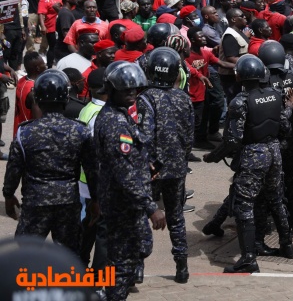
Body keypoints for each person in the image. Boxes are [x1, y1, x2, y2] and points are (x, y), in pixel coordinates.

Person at [2, 69, 98, 254]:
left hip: (35, 203)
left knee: (27, 255)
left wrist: (8, 195)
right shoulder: (80, 131)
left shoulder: (25, 132)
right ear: (66, 99)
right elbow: (92, 170)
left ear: (37, 99)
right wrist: (96, 200)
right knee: (68, 256)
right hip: (68, 203)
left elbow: (14, 168)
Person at [94, 61, 166, 299]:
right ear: (113, 90)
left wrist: (146, 163)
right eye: (126, 90)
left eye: (135, 90)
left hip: (127, 201)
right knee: (123, 262)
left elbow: (132, 152)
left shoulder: (121, 115)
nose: (132, 94)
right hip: (123, 203)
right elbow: (124, 173)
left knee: (135, 252)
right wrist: (150, 207)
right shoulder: (115, 122)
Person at [223, 55, 293, 273]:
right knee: (275, 199)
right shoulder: (274, 95)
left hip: (254, 155)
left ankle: (247, 258)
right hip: (274, 152)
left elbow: (233, 139)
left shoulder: (240, 101)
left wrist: (217, 155)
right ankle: (287, 245)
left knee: (244, 205)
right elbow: (285, 125)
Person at [137, 48, 195, 283]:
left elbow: (144, 135)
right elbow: (190, 137)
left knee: (141, 216)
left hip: (151, 169)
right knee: (176, 217)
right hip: (177, 168)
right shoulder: (184, 98)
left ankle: (137, 268)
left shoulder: (145, 98)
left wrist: (147, 163)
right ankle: (182, 267)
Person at [38, 0, 62, 67]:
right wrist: (43, 26)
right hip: (51, 27)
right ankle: (49, 65)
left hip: (59, 25)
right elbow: (41, 13)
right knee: (53, 47)